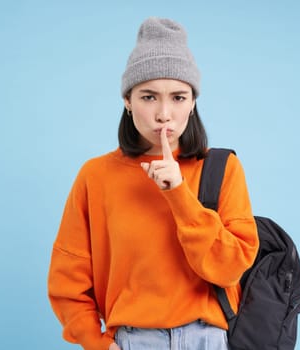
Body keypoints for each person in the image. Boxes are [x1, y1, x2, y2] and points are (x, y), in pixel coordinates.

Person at [48, 17, 259, 350]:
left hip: (208, 338)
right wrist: (97, 343)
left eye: (178, 97)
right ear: (127, 101)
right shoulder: (96, 176)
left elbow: (230, 268)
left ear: (193, 102)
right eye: (148, 97)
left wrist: (178, 194)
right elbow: (67, 281)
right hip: (133, 340)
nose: (164, 114)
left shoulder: (222, 169)